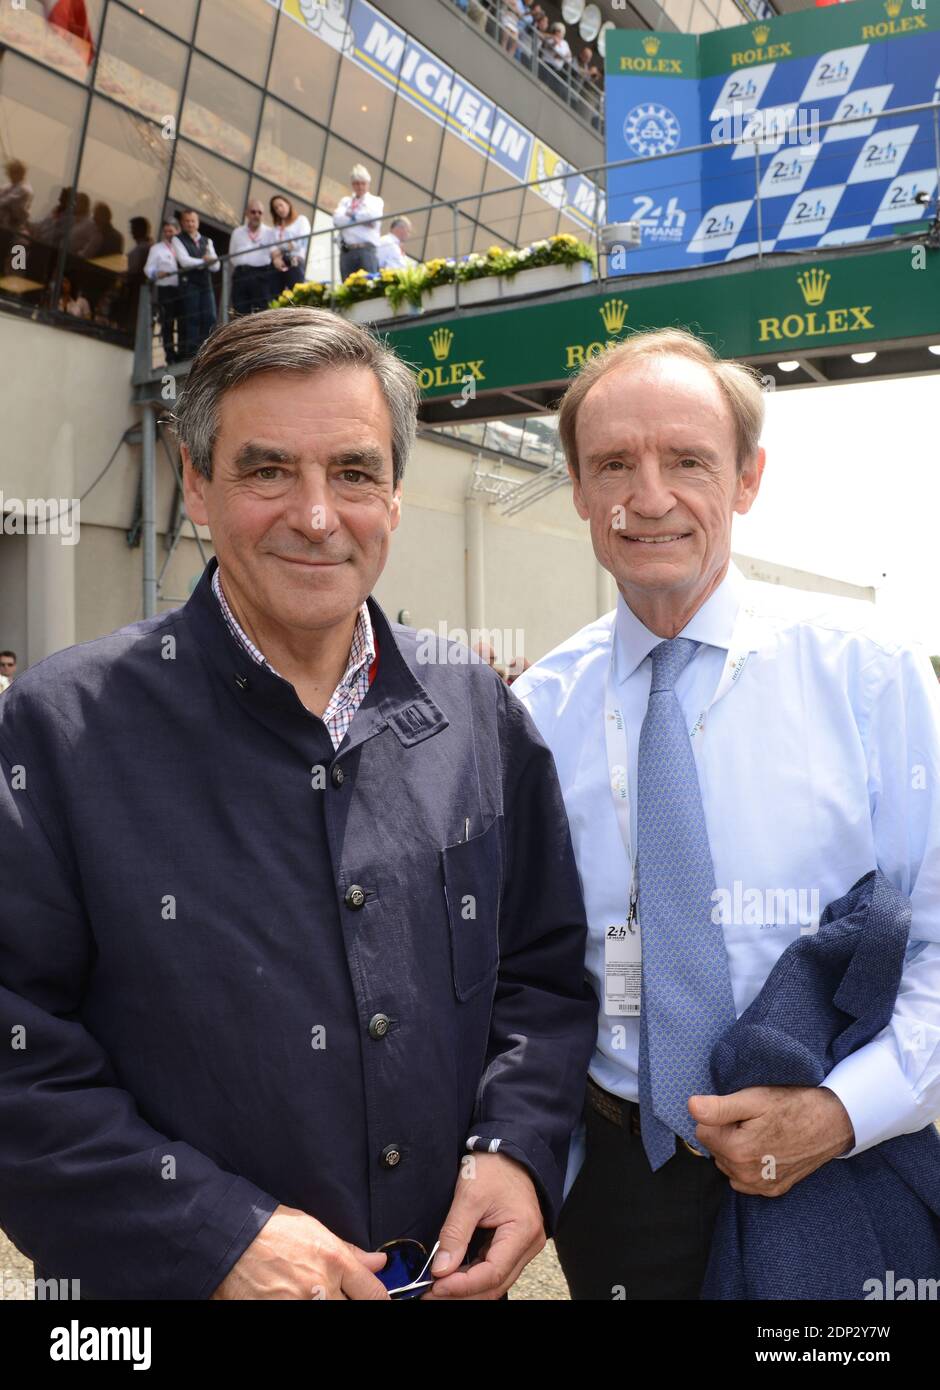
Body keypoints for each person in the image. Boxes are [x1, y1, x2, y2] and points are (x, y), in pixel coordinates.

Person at [0, 307, 596, 1301]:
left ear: (396, 497)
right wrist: (216, 1235)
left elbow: (542, 976)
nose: (317, 515)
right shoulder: (59, 732)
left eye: (355, 473)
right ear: (197, 484)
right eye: (268, 470)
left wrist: (519, 1144)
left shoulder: (476, 712)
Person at [512, 326, 940, 1300]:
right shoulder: (534, 713)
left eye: (688, 461)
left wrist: (842, 1108)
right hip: (623, 1188)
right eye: (613, 462)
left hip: (843, 1160)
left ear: (746, 479)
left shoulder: (870, 678)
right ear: (577, 487)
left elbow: (935, 938)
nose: (650, 495)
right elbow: (531, 974)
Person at [172, 208, 219, 360]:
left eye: (193, 221)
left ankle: (207, 353)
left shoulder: (207, 240)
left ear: (198, 223)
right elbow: (184, 262)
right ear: (182, 223)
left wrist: (205, 262)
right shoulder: (177, 239)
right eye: (187, 221)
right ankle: (191, 356)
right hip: (189, 284)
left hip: (205, 284)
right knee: (192, 318)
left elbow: (216, 266)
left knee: (210, 316)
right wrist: (204, 261)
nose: (190, 224)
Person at [332, 164, 384, 282]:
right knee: (347, 289)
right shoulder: (345, 201)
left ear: (368, 184)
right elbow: (337, 220)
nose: (360, 186)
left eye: (363, 183)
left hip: (366, 250)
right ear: (352, 185)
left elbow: (372, 218)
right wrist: (361, 219)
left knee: (369, 286)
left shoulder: (375, 201)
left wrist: (351, 215)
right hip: (347, 251)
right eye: (356, 183)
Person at [228, 200, 278, 316]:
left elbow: (275, 252)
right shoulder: (237, 232)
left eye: (260, 213)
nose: (256, 215)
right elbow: (232, 255)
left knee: (261, 313)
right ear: (246, 213)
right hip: (240, 275)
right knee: (239, 313)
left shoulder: (270, 233)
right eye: (253, 212)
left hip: (261, 276)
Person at [144, 220, 182, 365]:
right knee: (168, 323)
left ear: (177, 231)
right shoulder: (157, 248)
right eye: (166, 231)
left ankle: (183, 353)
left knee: (183, 321)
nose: (168, 234)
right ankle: (170, 356)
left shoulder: (181, 247)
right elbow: (147, 269)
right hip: (165, 289)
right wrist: (156, 274)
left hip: (182, 289)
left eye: (171, 231)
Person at [269, 194, 311, 296]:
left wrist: (281, 249)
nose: (279, 209)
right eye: (276, 208)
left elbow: (300, 242)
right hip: (279, 264)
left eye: (281, 205)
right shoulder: (276, 229)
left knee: (296, 295)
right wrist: (276, 259)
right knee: (276, 295)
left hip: (295, 262)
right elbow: (272, 247)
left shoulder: (301, 220)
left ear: (288, 204)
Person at [0, 159, 33, 234]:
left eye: (11, 172)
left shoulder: (24, 189)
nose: (8, 175)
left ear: (19, 173)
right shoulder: (10, 185)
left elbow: (5, 202)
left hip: (11, 231)